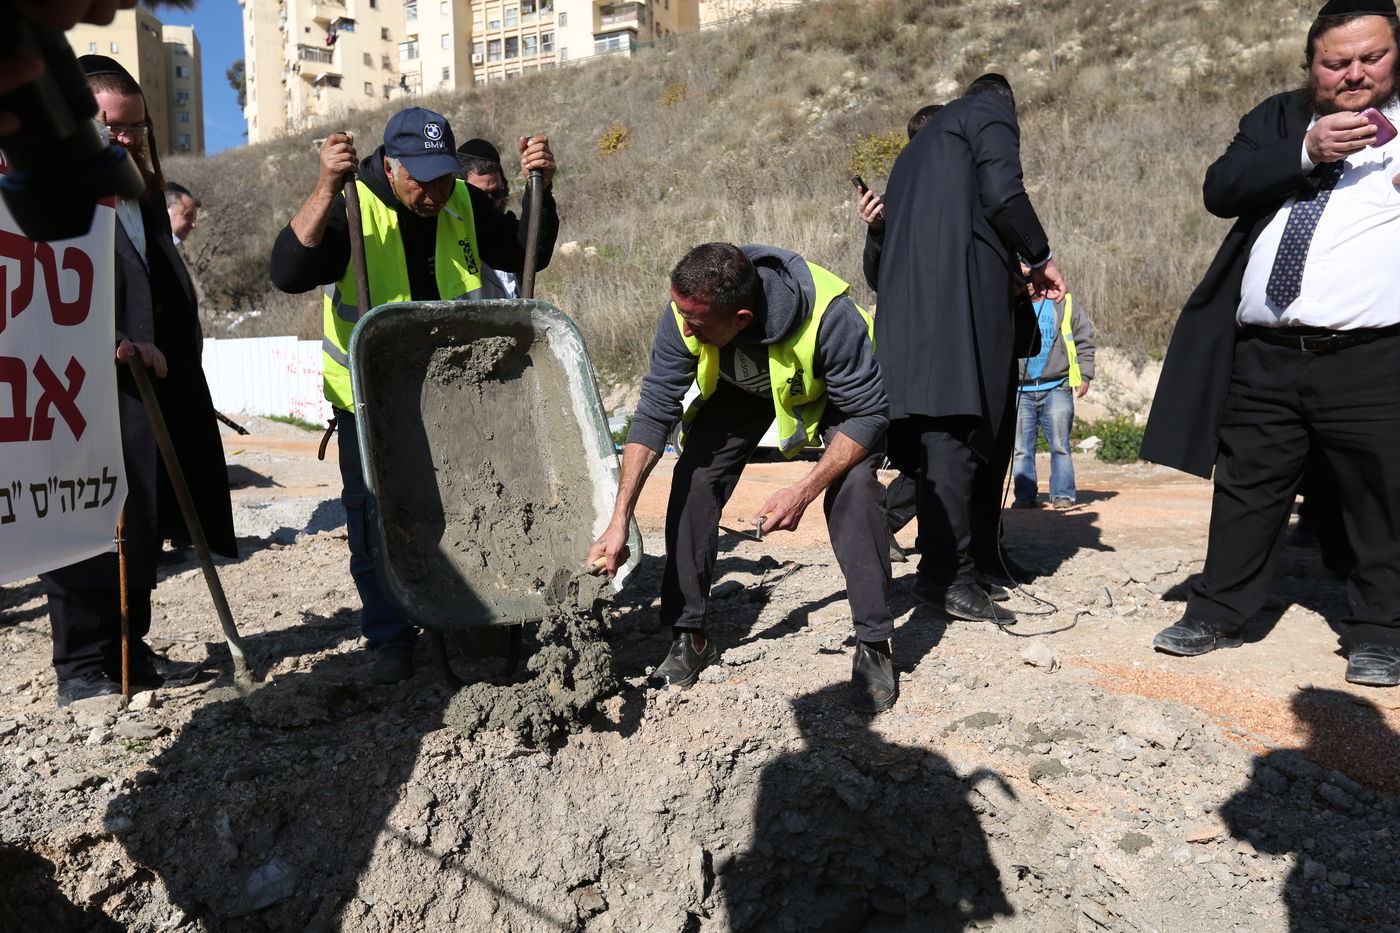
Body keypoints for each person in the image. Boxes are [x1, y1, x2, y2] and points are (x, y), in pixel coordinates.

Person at [1140, 0, 1400, 687]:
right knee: (1247, 491)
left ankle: (1380, 632)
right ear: (1310, 64)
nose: (1353, 75)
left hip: (1375, 357)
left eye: (1370, 58)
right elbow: (1220, 188)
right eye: (1335, 62)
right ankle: (1217, 611)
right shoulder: (1280, 118)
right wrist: (1305, 151)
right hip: (1266, 353)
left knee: (1382, 497)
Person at [269, 107, 558, 684]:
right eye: (420, 178)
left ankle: (480, 617)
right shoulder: (353, 204)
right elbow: (289, 271)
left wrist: (541, 189)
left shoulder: (463, 202)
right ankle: (390, 638)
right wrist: (326, 185)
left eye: (443, 177)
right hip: (372, 397)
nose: (433, 191)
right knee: (378, 520)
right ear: (390, 163)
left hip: (460, 393)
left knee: (479, 504)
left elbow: (528, 251)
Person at [587, 243, 897, 713]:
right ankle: (689, 636)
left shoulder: (831, 318)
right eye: (680, 313)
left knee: (854, 492)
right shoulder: (687, 308)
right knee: (693, 475)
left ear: (742, 318)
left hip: (840, 399)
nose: (683, 326)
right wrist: (619, 519)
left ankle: (874, 644)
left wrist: (803, 489)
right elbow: (653, 411)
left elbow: (868, 414)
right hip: (741, 390)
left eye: (696, 322)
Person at [39, 55, 236, 707]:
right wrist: (107, 342)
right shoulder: (41, 187)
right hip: (78, 386)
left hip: (153, 382)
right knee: (84, 517)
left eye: (134, 128)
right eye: (110, 126)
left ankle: (131, 649)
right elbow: (35, 292)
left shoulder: (138, 193)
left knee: (142, 516)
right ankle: (83, 665)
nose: (124, 138)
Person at [873, 74, 1065, 626]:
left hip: (913, 317)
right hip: (957, 312)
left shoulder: (911, 157)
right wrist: (1038, 255)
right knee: (956, 437)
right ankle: (945, 577)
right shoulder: (989, 113)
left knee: (946, 443)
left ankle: (960, 567)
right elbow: (1004, 195)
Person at [1011, 276, 1095, 510]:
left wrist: (1085, 375)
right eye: (1022, 279)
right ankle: (1024, 497)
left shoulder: (1064, 303)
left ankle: (1063, 495)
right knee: (1021, 449)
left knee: (1060, 445)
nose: (1027, 284)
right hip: (1020, 389)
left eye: (1030, 279)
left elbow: (1084, 340)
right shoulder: (1010, 304)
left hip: (1057, 386)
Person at [454, 137, 520, 297]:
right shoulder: (454, 245)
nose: (493, 203)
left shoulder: (511, 239)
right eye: (482, 196)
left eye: (498, 193)